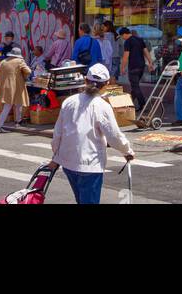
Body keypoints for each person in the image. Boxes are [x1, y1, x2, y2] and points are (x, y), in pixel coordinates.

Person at [50, 61, 134, 204]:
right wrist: (127, 151)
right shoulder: (102, 106)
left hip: (68, 162)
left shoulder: (69, 101)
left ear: (85, 80)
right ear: (106, 84)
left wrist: (56, 157)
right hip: (90, 165)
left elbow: (58, 133)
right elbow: (114, 136)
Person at [0, 46, 32, 132]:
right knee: (16, 104)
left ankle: (17, 122)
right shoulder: (20, 61)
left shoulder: (3, 62)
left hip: (4, 86)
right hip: (17, 86)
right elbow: (28, 71)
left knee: (11, 105)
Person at [120, 28, 153, 113]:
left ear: (124, 34)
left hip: (133, 67)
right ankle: (129, 104)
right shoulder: (139, 39)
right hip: (141, 66)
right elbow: (146, 52)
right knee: (135, 86)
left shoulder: (127, 42)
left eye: (121, 36)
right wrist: (150, 62)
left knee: (135, 86)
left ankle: (143, 105)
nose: (122, 38)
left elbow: (126, 56)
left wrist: (122, 67)